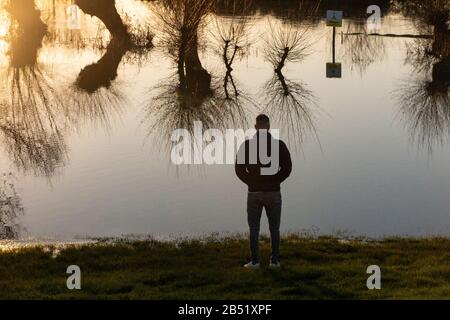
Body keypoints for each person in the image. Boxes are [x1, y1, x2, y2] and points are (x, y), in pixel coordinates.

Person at [235, 114, 292, 269]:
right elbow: (287, 168)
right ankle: (274, 262)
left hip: (254, 193)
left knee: (254, 228)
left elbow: (239, 170)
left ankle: (255, 261)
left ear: (255, 127)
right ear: (268, 127)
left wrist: (251, 182)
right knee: (274, 228)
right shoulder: (278, 145)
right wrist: (275, 181)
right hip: (273, 193)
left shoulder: (246, 145)